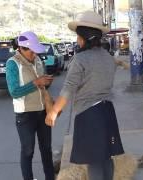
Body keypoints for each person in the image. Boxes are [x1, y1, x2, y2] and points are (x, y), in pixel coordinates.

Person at [45, 11, 124, 180]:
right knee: (106, 157)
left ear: (83, 38)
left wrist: (53, 111)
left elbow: (68, 88)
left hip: (89, 115)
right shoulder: (108, 57)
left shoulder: (80, 59)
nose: (76, 40)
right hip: (107, 111)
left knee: (94, 161)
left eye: (78, 36)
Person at [6, 31, 55, 180]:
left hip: (43, 112)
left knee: (46, 149)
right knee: (28, 151)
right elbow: (14, 92)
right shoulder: (12, 63)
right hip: (25, 115)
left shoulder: (38, 60)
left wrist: (46, 82)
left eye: (35, 51)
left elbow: (42, 84)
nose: (34, 54)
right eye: (31, 51)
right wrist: (36, 83)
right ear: (22, 48)